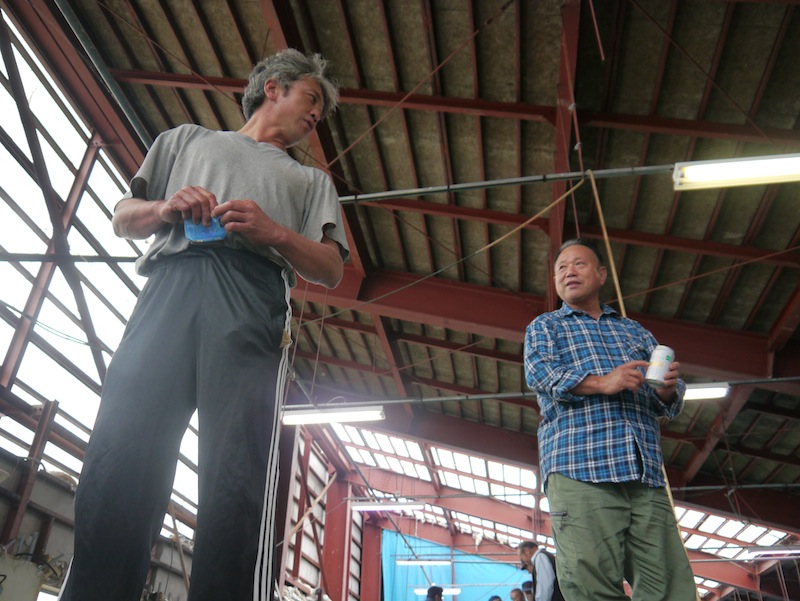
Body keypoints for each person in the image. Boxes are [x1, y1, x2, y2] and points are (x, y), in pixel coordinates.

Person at [58, 49, 349, 601]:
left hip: (252, 295)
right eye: (312, 99)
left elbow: (332, 268)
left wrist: (276, 234)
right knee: (123, 445)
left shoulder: (310, 181)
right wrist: (167, 207)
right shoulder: (185, 140)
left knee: (236, 465)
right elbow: (123, 217)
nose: (317, 116)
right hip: (171, 281)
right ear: (274, 88)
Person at [524, 239, 697, 601]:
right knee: (591, 583)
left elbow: (663, 395)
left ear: (602, 274)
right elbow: (540, 373)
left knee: (668, 583)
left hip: (643, 472)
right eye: (561, 268)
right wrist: (602, 382)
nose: (569, 271)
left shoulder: (636, 332)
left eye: (579, 264)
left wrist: (667, 390)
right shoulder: (546, 327)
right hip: (580, 467)